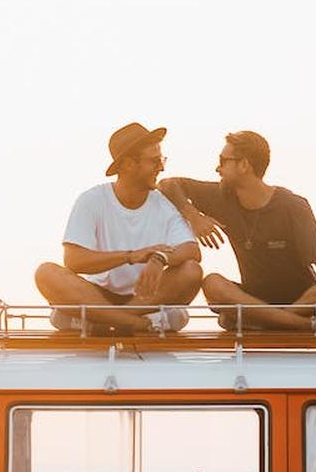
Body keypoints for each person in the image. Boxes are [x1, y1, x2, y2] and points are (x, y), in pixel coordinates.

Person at [159, 130, 316, 332]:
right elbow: (168, 184)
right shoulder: (221, 196)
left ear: (244, 165)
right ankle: (303, 325)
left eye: (223, 161)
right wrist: (193, 216)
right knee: (212, 283)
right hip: (255, 300)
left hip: (304, 300)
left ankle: (268, 322)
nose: (217, 168)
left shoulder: (293, 206)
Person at [35, 122, 202, 336]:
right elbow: (74, 260)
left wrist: (160, 258)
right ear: (127, 165)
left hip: (147, 297)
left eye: (161, 159)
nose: (161, 167)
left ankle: (109, 320)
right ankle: (135, 323)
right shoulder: (92, 200)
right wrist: (130, 256)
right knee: (46, 272)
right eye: (154, 161)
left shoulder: (164, 204)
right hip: (96, 296)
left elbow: (191, 251)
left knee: (191, 271)